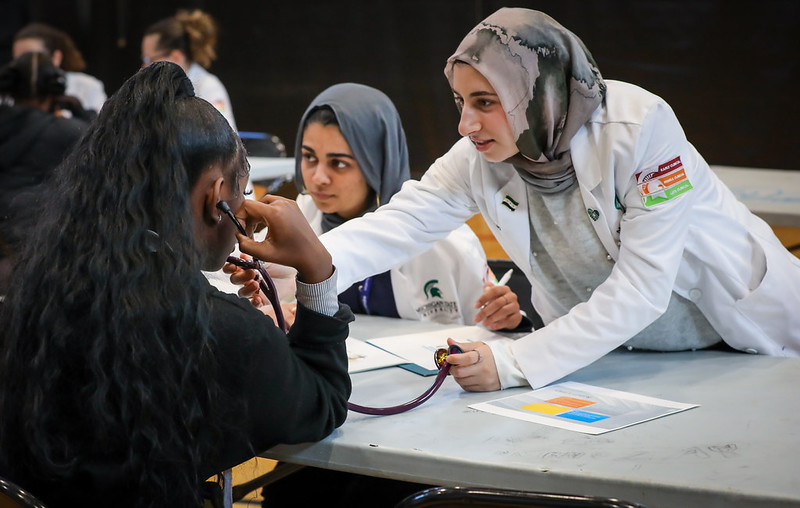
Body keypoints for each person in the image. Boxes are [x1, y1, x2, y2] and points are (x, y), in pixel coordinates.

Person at [314, 8, 800, 392]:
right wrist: (299, 268)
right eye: (460, 102)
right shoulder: (479, 158)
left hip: (735, 341)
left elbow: (642, 287)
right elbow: (400, 224)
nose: (466, 125)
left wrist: (514, 362)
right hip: (614, 358)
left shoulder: (641, 128)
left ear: (537, 90)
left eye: (486, 102)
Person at [0, 61, 352, 507]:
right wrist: (317, 271)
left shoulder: (35, 292)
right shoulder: (217, 331)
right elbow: (323, 404)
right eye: (242, 192)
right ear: (216, 198)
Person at [233, 82, 526, 331]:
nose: (318, 177)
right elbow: (279, 302)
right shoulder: (301, 217)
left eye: (338, 163)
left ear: (379, 162)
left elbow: (489, 330)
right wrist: (270, 306)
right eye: (309, 157)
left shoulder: (448, 239)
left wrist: (508, 319)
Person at [0, 51, 88, 294]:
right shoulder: (68, 133)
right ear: (56, 89)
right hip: (47, 262)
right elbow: (104, 148)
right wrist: (81, 113)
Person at [142, 9, 237, 130]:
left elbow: (225, 137)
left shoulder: (208, 87)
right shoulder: (157, 91)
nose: (144, 67)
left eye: (149, 60)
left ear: (176, 57)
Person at [13, 22, 107, 115]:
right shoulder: (11, 88)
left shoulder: (88, 86)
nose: (23, 65)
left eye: (32, 59)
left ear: (56, 57)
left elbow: (102, 122)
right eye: (18, 60)